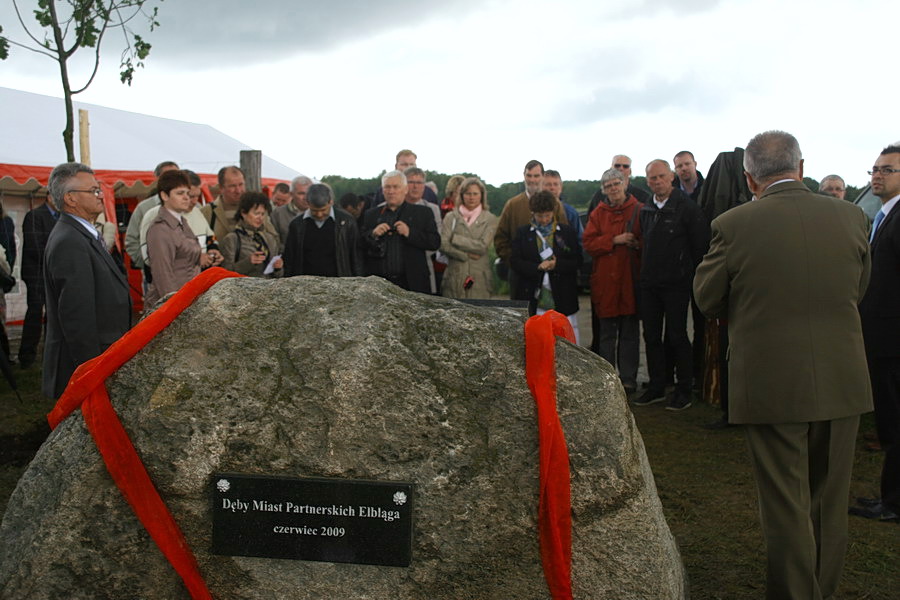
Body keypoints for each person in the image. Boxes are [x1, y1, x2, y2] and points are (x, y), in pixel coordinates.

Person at [693, 130, 872, 598]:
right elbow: (858, 289)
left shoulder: (732, 224)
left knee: (784, 504)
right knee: (828, 504)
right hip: (842, 376)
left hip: (770, 382)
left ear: (750, 179)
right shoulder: (852, 216)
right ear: (802, 167)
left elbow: (708, 298)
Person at [42, 162, 132, 399]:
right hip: (86, 368)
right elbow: (76, 317)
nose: (100, 195)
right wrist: (92, 372)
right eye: (93, 191)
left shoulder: (81, 234)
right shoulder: (69, 241)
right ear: (71, 199)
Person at [632, 159, 709, 411]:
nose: (657, 182)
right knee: (651, 336)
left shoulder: (687, 208)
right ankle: (656, 387)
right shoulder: (646, 210)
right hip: (650, 284)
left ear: (671, 177)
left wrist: (689, 276)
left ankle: (683, 389)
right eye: (652, 178)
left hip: (677, 284)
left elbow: (699, 248)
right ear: (647, 181)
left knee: (677, 336)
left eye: (662, 177)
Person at [852, 144, 900, 522]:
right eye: (875, 169)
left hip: (893, 340)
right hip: (881, 337)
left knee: (896, 420)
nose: (877, 176)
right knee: (889, 418)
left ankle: (894, 502)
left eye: (887, 170)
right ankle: (889, 495)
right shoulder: (885, 215)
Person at [582, 168, 642, 394]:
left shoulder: (639, 209)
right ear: (603, 190)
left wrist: (637, 244)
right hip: (606, 283)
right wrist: (613, 240)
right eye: (608, 186)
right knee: (606, 334)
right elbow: (588, 243)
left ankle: (628, 379)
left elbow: (647, 242)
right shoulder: (598, 214)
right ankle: (606, 378)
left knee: (629, 332)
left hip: (629, 282)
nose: (613, 189)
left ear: (625, 183)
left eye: (616, 184)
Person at [510, 190, 582, 339]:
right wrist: (536, 267)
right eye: (539, 216)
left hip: (563, 298)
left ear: (553, 212)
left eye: (547, 215)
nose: (544, 220)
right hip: (534, 298)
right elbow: (515, 261)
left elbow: (577, 261)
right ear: (533, 213)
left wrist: (558, 264)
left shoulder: (567, 232)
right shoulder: (523, 233)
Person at [494, 160, 568, 297]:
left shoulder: (555, 204)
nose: (532, 180)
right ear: (524, 176)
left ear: (542, 176)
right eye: (529, 175)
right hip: (521, 278)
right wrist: (516, 263)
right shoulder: (512, 205)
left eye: (536, 176)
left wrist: (555, 262)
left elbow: (565, 236)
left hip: (551, 277)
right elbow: (500, 239)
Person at [361, 170, 440, 293]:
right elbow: (359, 244)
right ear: (382, 190)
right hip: (379, 285)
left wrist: (410, 233)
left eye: (395, 187)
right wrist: (373, 234)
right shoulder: (371, 214)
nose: (391, 191)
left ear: (405, 189)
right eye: (387, 187)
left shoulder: (423, 213)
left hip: (413, 283)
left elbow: (435, 242)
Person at [139, 170, 222, 270]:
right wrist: (195, 260)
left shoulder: (197, 212)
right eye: (191, 196)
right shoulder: (153, 216)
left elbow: (210, 237)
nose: (195, 201)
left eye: (198, 196)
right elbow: (151, 259)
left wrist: (213, 250)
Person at [145, 170, 203, 306]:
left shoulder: (182, 222)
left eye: (187, 193)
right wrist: (175, 307)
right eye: (179, 193)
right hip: (169, 306)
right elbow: (163, 275)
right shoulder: (160, 229)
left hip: (187, 300)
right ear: (164, 195)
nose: (186, 198)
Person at [282, 183, 362, 277]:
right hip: (305, 283)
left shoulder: (347, 222)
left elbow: (356, 256)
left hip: (339, 282)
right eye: (314, 211)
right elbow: (289, 258)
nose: (319, 214)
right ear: (308, 203)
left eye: (323, 210)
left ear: (330, 202)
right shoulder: (297, 225)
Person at [19, 190, 60, 368]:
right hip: (35, 273)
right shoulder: (34, 216)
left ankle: (49, 356)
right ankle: (26, 356)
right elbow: (35, 246)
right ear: (49, 197)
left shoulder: (61, 218)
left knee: (52, 316)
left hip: (53, 274)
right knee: (35, 314)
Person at [440, 177, 498, 300]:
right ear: (462, 195)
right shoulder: (451, 217)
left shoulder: (490, 219)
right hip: (454, 279)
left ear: (482, 195)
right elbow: (444, 244)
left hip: (479, 280)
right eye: (468, 193)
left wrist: (455, 239)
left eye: (475, 194)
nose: (471, 197)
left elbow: (482, 246)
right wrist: (464, 255)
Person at [124, 160, 179, 270]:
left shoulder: (193, 206)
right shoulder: (144, 208)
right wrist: (146, 263)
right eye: (168, 176)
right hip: (155, 276)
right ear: (158, 180)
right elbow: (131, 240)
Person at [220, 192, 283, 278]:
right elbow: (225, 273)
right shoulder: (232, 239)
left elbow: (279, 276)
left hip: (268, 288)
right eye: (256, 213)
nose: (260, 218)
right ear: (243, 213)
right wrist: (248, 263)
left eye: (262, 214)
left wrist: (278, 268)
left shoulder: (270, 238)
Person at [404, 167, 443, 294]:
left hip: (424, 268)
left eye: (419, 183)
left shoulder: (433, 209)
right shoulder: (390, 208)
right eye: (411, 182)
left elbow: (436, 241)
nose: (415, 187)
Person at [542, 169, 584, 241]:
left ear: (561, 187)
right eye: (548, 184)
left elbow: (580, 239)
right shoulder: (533, 210)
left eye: (555, 184)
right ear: (541, 187)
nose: (552, 188)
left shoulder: (571, 213)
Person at [271, 175, 312, 246]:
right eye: (301, 193)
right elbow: (273, 242)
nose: (306, 197)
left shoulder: (320, 213)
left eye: (309, 193)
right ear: (291, 194)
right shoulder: (278, 213)